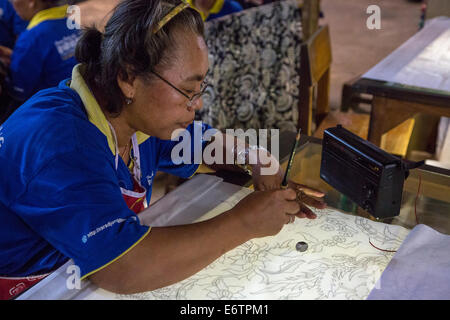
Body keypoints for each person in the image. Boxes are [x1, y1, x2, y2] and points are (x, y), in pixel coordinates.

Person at [0, 0, 325, 299]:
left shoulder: (130, 115)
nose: (196, 105)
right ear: (128, 77)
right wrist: (244, 222)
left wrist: (255, 158)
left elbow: (202, 144)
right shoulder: (61, 143)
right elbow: (125, 268)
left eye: (200, 88)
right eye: (186, 90)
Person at [0, 0, 80, 108]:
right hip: (80, 99)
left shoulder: (30, 39)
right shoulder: (71, 24)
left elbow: (19, 91)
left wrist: (8, 68)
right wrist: (18, 58)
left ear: (31, 2)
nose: (12, 4)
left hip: (54, 108)